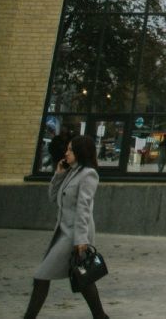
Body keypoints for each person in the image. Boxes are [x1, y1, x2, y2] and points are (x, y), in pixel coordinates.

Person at [24, 135, 109, 319]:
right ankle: (100, 316)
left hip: (75, 234)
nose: (66, 153)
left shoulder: (88, 174)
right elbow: (53, 197)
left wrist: (81, 239)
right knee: (83, 277)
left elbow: (84, 208)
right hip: (62, 231)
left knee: (42, 276)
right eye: (67, 149)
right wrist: (58, 174)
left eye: (70, 149)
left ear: (80, 152)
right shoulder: (71, 172)